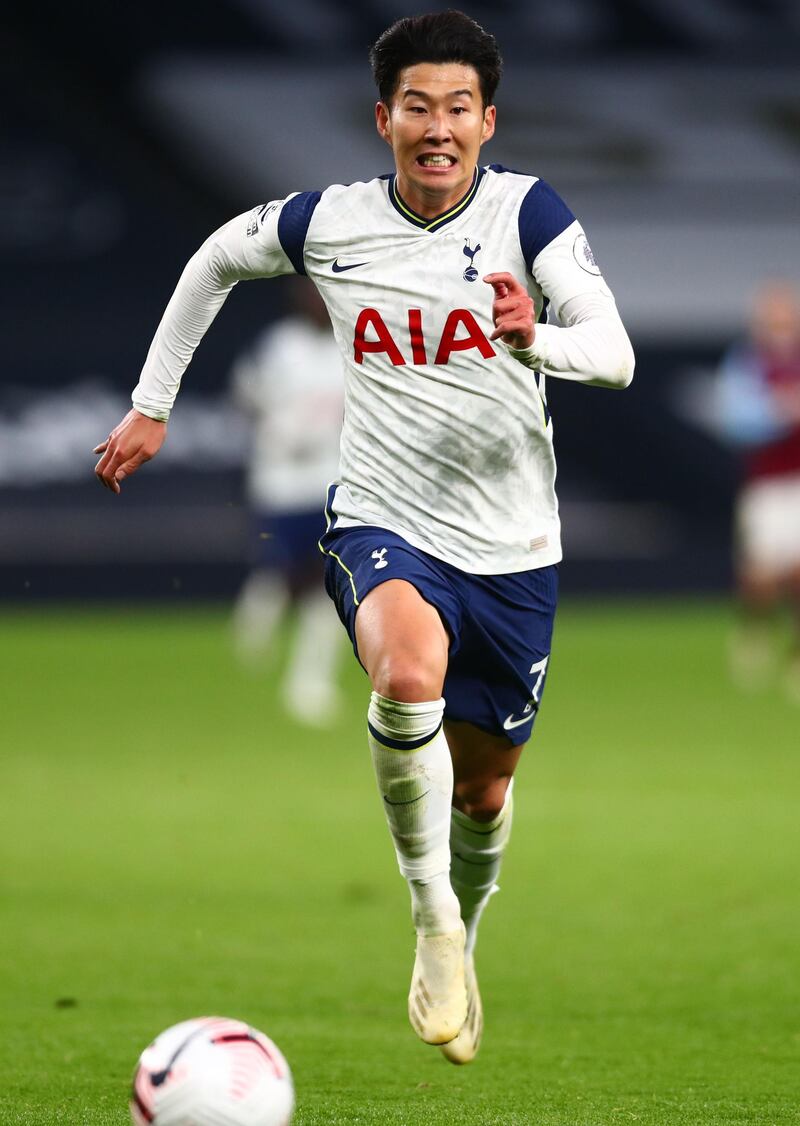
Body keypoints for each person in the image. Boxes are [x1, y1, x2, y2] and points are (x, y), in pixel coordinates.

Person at [94, 11, 634, 1064]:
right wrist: (152, 403)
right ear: (383, 118)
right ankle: (430, 916)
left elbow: (611, 353)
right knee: (403, 673)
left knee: (483, 789)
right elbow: (213, 258)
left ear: (487, 120)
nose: (438, 127)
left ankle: (462, 925)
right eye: (417, 107)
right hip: (382, 516)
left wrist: (537, 338)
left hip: (515, 545)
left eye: (458, 107)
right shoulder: (327, 222)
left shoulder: (531, 214)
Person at [229, 278, 346, 724]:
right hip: (279, 481)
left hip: (330, 480)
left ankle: (309, 681)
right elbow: (244, 392)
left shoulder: (348, 345)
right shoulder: (279, 346)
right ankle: (251, 642)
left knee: (327, 581)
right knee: (276, 571)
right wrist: (274, 427)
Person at [717, 281, 800, 701]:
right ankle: (754, 634)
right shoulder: (748, 362)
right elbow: (735, 420)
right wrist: (778, 411)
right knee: (762, 575)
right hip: (766, 484)